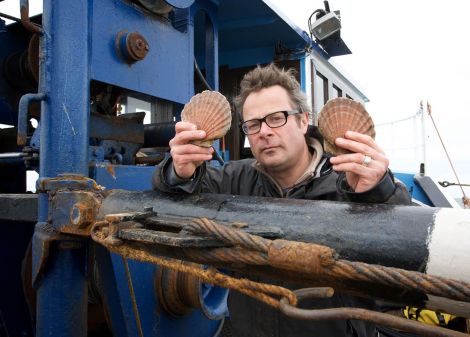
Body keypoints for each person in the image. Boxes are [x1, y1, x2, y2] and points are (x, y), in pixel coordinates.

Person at [153, 63, 411, 337]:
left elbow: (407, 251)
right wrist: (178, 170)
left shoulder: (350, 183)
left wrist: (380, 191)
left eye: (276, 118)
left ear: (303, 121)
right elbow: (173, 192)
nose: (264, 131)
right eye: (253, 124)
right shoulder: (233, 180)